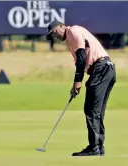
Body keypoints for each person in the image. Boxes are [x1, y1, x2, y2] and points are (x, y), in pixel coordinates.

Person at [46, 20, 116, 156]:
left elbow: (81, 58)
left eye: (54, 32)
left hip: (101, 69)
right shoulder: (71, 38)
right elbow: (81, 60)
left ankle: (94, 147)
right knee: (96, 111)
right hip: (106, 69)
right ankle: (98, 146)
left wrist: (77, 82)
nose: (55, 36)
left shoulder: (73, 31)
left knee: (91, 110)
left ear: (61, 26)